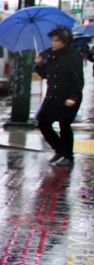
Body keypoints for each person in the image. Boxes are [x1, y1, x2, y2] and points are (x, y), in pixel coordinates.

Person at [34, 27, 83, 166]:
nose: (53, 44)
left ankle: (67, 156)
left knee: (64, 125)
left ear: (65, 42)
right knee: (43, 122)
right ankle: (61, 151)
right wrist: (39, 64)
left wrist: (74, 97)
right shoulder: (50, 54)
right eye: (52, 40)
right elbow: (45, 74)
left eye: (56, 41)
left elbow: (77, 78)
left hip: (67, 97)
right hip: (52, 96)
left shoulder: (73, 56)